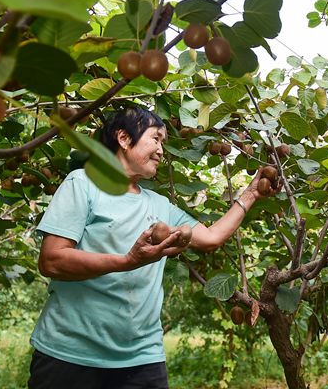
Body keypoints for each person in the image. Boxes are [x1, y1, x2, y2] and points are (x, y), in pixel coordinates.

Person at [28, 107, 272, 389]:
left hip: (142, 359)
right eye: (155, 138)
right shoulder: (83, 184)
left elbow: (212, 237)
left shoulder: (159, 206)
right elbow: (52, 261)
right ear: (123, 138)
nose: (160, 150)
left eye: (163, 142)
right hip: (69, 356)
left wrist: (251, 193)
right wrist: (127, 261)